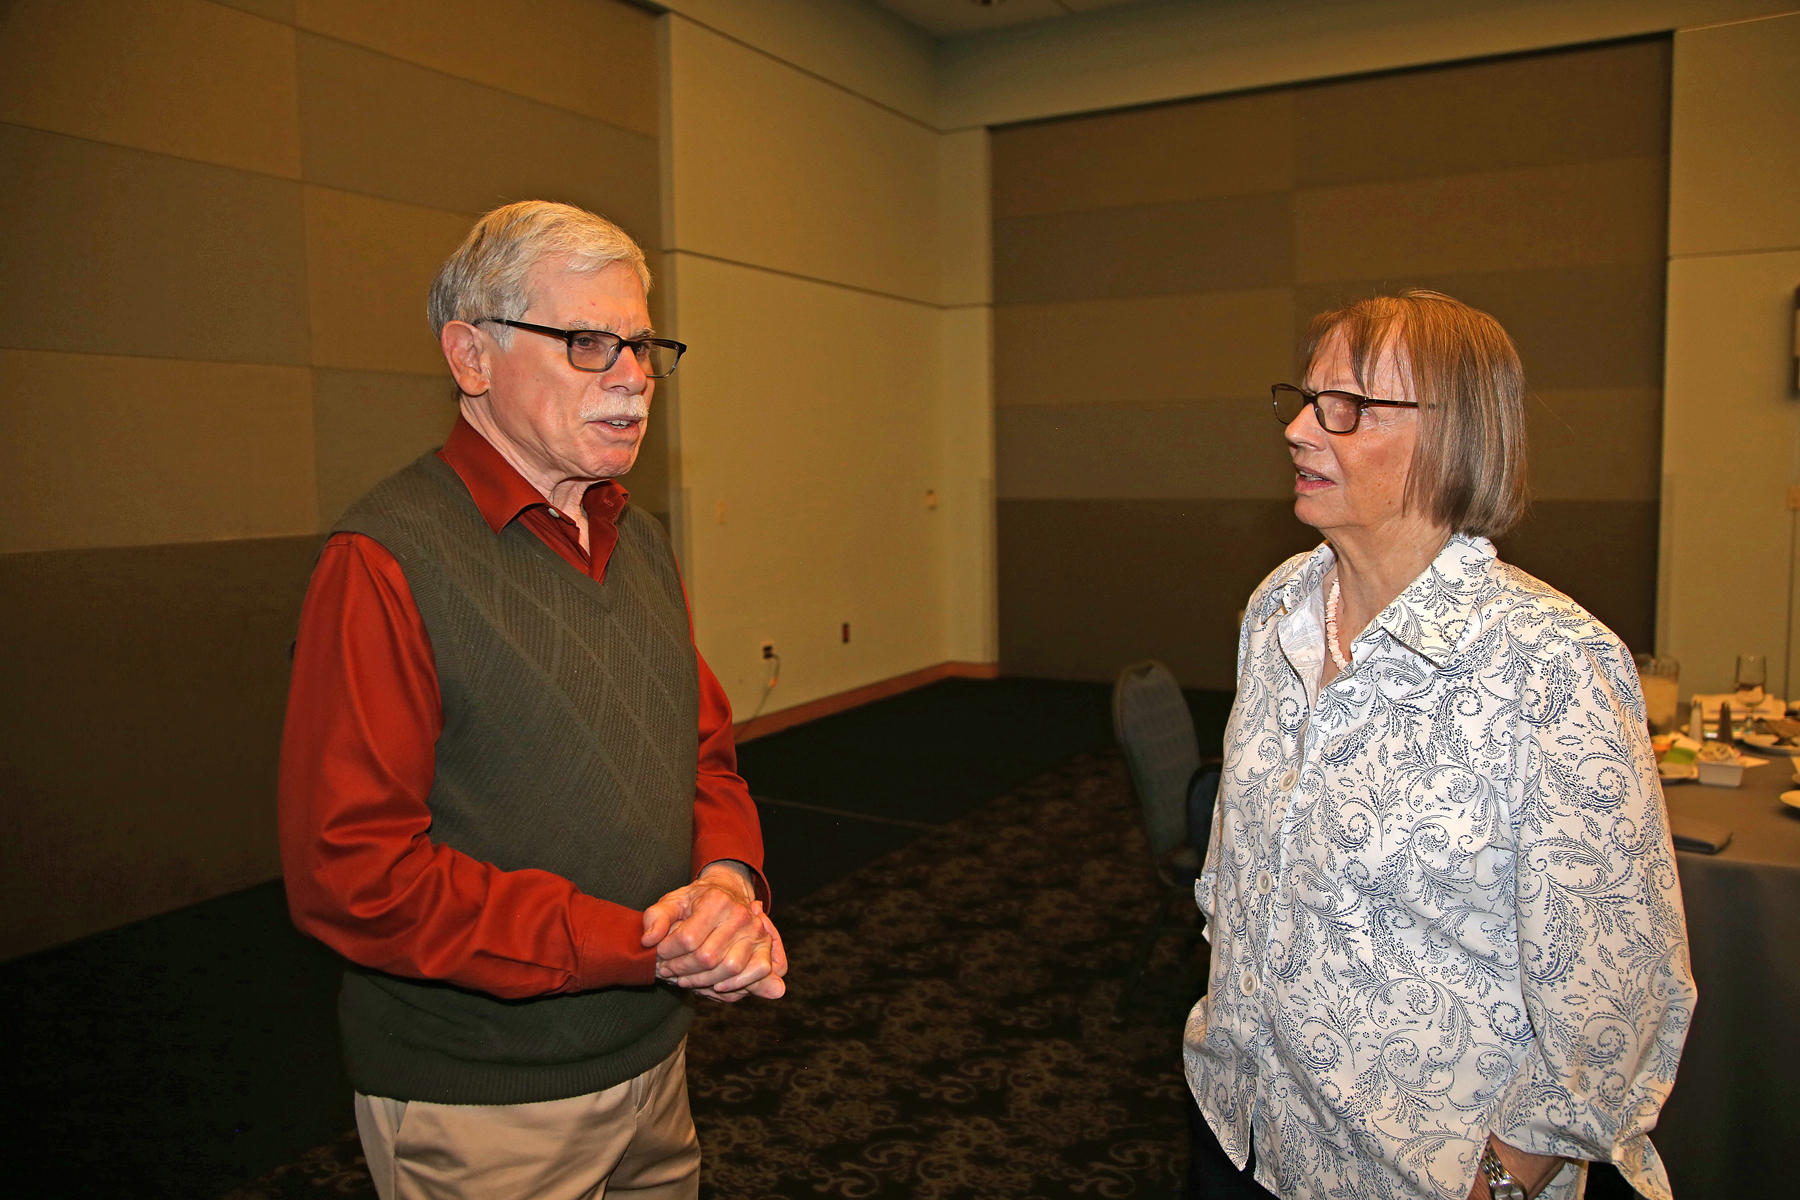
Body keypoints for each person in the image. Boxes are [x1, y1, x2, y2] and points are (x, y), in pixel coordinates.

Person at [278, 200, 785, 1200]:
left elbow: (702, 755)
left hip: (656, 1054)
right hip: (485, 1100)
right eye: (590, 342)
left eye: (642, 346)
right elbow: (354, 873)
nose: (634, 378)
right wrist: (643, 944)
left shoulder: (637, 536)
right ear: (472, 357)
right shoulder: (384, 559)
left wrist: (727, 882)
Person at [1183, 290, 1694, 1200]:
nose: (1301, 429)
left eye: (1344, 407)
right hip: (1243, 1126)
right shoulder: (1277, 611)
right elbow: (1242, 863)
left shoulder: (1552, 665)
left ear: (1451, 435)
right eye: (1302, 399)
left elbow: (1618, 997)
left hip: (1421, 1176)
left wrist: (1502, 1179)